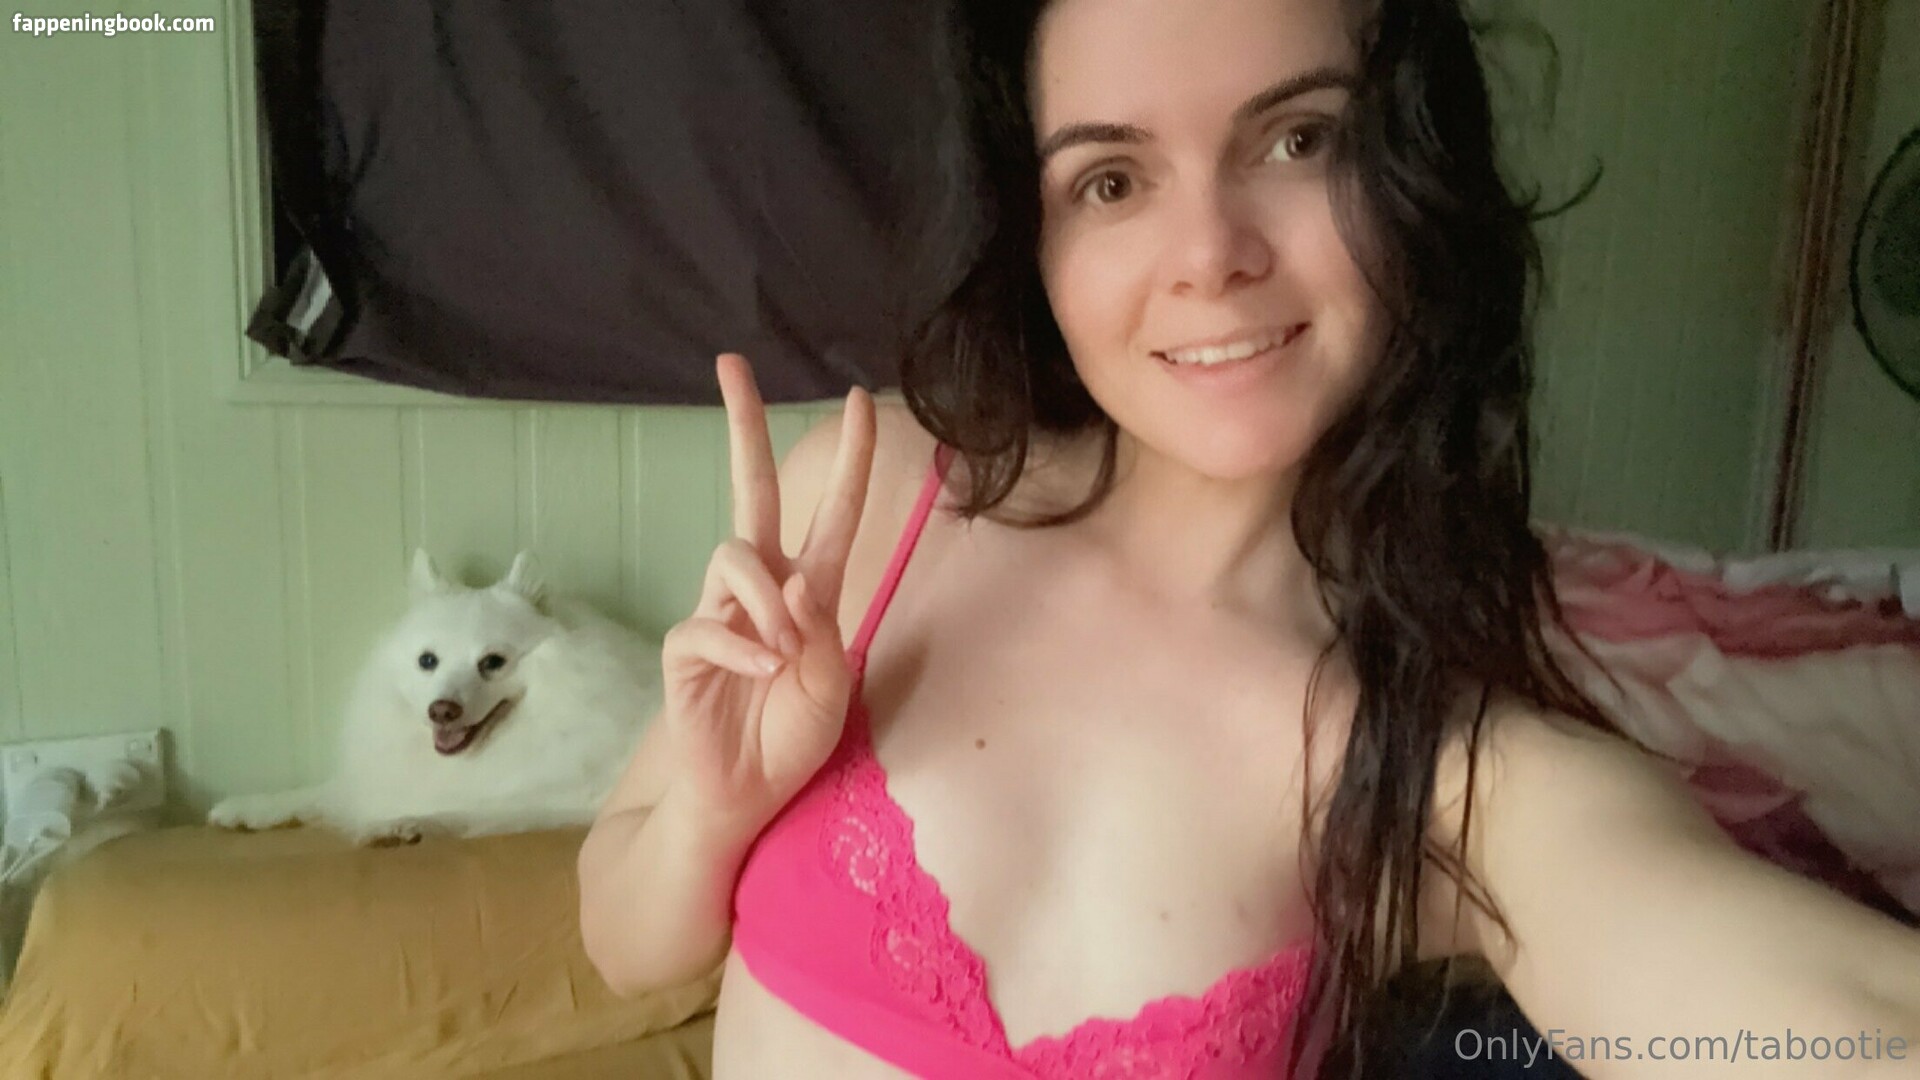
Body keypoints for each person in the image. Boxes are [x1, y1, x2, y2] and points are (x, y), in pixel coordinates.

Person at [577, 0, 1920, 1076]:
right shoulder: (871, 504)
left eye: (1298, 141)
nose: (1210, 254)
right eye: (1111, 179)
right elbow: (624, 943)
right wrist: (715, 809)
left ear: (1414, 176)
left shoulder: (1442, 766)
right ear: (1034, 237)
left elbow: (1811, 1013)